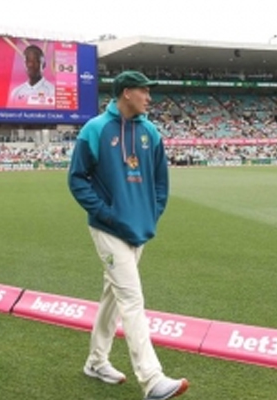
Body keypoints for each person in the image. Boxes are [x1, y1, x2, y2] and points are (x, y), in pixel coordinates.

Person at [68, 70, 189, 400]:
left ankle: (96, 362)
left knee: (113, 295)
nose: (149, 97)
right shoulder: (95, 129)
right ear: (126, 93)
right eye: (144, 91)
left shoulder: (151, 132)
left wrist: (152, 213)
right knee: (132, 298)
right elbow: (76, 179)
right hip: (108, 228)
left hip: (139, 229)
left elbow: (161, 182)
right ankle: (152, 379)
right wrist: (106, 213)